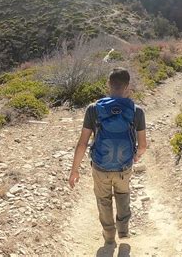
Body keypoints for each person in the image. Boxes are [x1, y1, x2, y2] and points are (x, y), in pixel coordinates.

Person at [69, 67, 147, 245]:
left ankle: (109, 234)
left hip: (100, 166)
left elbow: (82, 143)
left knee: (103, 200)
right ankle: (124, 229)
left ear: (108, 84)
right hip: (124, 166)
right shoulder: (137, 111)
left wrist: (74, 170)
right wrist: (135, 157)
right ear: (127, 86)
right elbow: (143, 146)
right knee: (123, 193)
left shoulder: (93, 109)